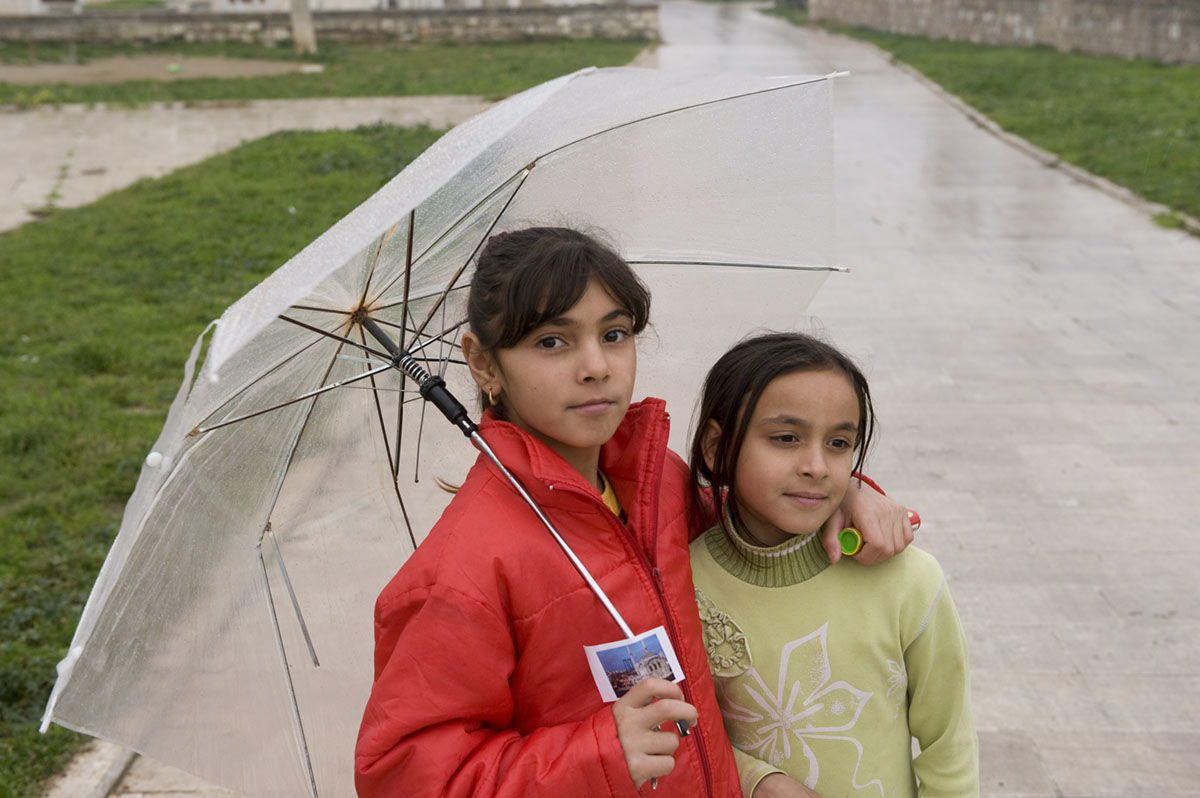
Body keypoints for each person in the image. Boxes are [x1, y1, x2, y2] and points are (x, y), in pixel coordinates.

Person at [354, 228, 914, 798]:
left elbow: (752, 522)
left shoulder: (655, 483)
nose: (597, 366)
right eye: (553, 341)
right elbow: (406, 778)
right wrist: (597, 755)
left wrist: (846, 493)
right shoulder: (461, 572)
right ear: (483, 363)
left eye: (614, 333)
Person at [688, 332, 978, 798]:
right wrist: (754, 779)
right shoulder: (684, 583)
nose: (817, 466)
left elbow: (950, 747)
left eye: (839, 442)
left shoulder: (907, 581)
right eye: (786, 438)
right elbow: (688, 732)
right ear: (714, 446)